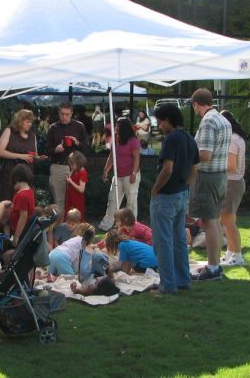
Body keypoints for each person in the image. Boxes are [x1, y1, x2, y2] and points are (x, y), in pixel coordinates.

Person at [150, 104, 199, 293]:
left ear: (169, 120)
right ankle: (182, 280)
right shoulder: (189, 139)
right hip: (181, 194)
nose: (160, 126)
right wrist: (184, 185)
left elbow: (167, 168)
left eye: (160, 122)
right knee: (179, 240)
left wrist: (155, 189)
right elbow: (195, 168)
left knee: (163, 242)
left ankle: (167, 285)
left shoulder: (170, 140)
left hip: (166, 196)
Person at [189, 88, 231, 282]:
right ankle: (213, 264)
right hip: (221, 176)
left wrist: (186, 155)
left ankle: (213, 268)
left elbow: (205, 154)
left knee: (209, 222)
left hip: (209, 178)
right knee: (212, 221)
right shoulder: (223, 120)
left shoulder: (208, 121)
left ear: (196, 104)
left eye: (194, 106)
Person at [45, 102, 89, 215]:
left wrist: (77, 142)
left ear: (71, 113)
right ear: (58, 113)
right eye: (62, 114)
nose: (64, 117)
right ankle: (60, 228)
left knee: (74, 201)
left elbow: (86, 148)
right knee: (59, 201)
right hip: (58, 166)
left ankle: (74, 228)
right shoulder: (53, 128)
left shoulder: (79, 126)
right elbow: (46, 150)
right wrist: (56, 149)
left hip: (75, 169)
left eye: (67, 114)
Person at [98, 117, 141, 232]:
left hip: (130, 175)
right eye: (116, 125)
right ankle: (106, 225)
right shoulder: (115, 140)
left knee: (131, 201)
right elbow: (112, 156)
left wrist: (134, 173)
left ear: (124, 127)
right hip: (118, 175)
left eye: (118, 125)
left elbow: (137, 158)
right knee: (112, 200)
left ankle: (131, 226)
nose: (115, 127)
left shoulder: (133, 141)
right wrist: (106, 170)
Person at [0, 109, 45, 201]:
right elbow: (0, 152)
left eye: (31, 122)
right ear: (19, 121)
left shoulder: (32, 136)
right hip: (10, 177)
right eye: (27, 122)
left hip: (27, 178)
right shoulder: (9, 131)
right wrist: (21, 156)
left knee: (25, 205)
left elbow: (35, 155)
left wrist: (39, 158)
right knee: (9, 205)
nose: (30, 124)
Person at [219, 110, 247, 266]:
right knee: (227, 220)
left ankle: (237, 255)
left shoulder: (232, 140)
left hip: (232, 183)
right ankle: (231, 253)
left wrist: (213, 166)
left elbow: (230, 165)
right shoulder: (238, 138)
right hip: (234, 182)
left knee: (228, 221)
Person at [9, 164, 36, 246]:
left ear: (16, 179)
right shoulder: (29, 191)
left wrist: (16, 236)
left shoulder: (22, 195)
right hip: (25, 230)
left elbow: (23, 216)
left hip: (22, 232)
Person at [65, 151, 88, 221]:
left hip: (77, 198)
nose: (71, 166)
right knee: (69, 215)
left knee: (76, 217)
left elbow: (81, 189)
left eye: (72, 164)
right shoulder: (75, 171)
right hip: (71, 196)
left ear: (78, 163)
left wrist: (71, 182)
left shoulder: (82, 172)